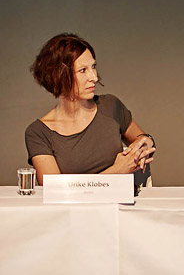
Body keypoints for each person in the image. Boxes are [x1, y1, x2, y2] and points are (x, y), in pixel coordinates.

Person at [25, 33, 156, 185]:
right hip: (74, 209)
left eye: (93, 67)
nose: (94, 77)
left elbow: (143, 138)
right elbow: (54, 190)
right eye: (83, 70)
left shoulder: (111, 106)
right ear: (57, 76)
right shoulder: (38, 133)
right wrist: (116, 171)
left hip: (123, 205)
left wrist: (146, 142)